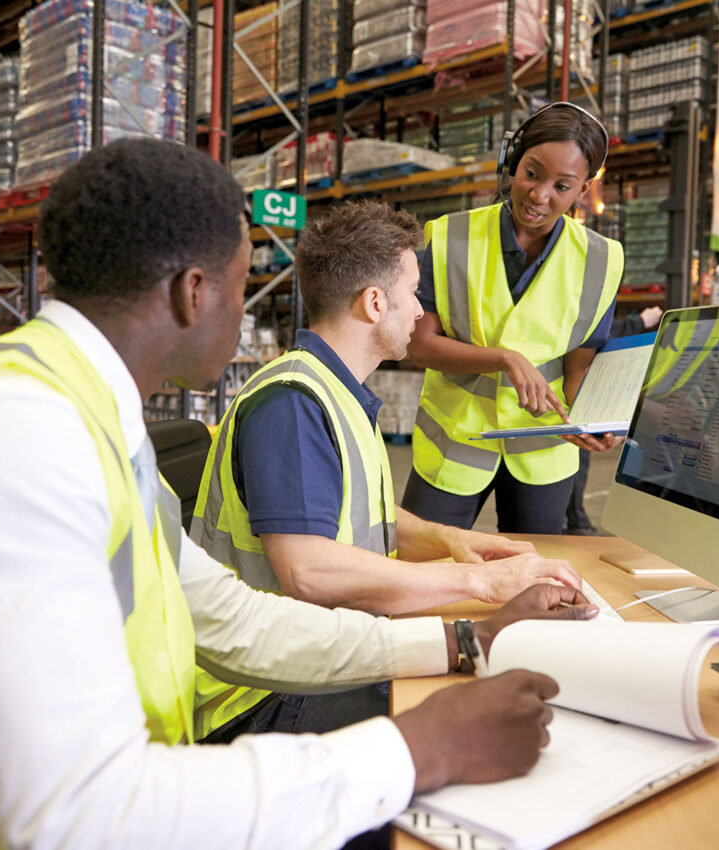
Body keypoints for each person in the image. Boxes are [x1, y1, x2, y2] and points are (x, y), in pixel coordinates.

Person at [0, 139, 600, 850]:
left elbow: (230, 620)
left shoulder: (86, 414)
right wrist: (419, 750)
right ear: (193, 292)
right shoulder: (2, 436)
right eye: (244, 279)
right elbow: (78, 817)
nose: (253, 305)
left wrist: (460, 640)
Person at [189, 199, 584, 741]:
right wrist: (479, 582)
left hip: (315, 660)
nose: (421, 311)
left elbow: (361, 514)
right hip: (262, 697)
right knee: (500, 704)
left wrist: (451, 540)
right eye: (413, 294)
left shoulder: (332, 390)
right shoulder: (291, 404)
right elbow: (310, 571)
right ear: (375, 303)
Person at [403, 102, 626, 535]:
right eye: (531, 174)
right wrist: (503, 358)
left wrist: (593, 421)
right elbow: (419, 346)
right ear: (512, 162)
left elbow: (577, 369)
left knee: (535, 579)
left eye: (562, 186)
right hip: (455, 441)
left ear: (583, 191)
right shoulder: (449, 236)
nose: (540, 195)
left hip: (543, 451)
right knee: (419, 561)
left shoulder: (602, 260)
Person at [565, 305, 664, 535]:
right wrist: (638, 321)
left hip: (574, 401)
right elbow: (598, 331)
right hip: (564, 404)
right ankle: (576, 521)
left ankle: (576, 520)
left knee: (579, 460)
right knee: (578, 459)